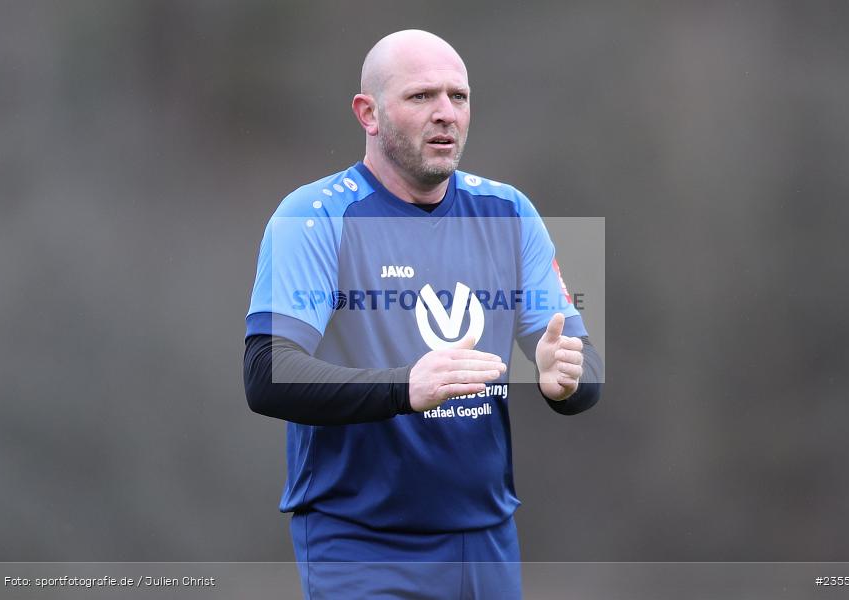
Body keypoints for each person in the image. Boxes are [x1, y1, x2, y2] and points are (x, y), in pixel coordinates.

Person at [244, 29, 603, 600]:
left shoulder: (509, 210)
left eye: (457, 97)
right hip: (358, 540)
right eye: (421, 97)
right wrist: (403, 387)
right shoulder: (312, 217)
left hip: (485, 535)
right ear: (369, 112)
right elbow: (267, 375)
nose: (445, 114)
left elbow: (585, 370)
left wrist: (566, 380)